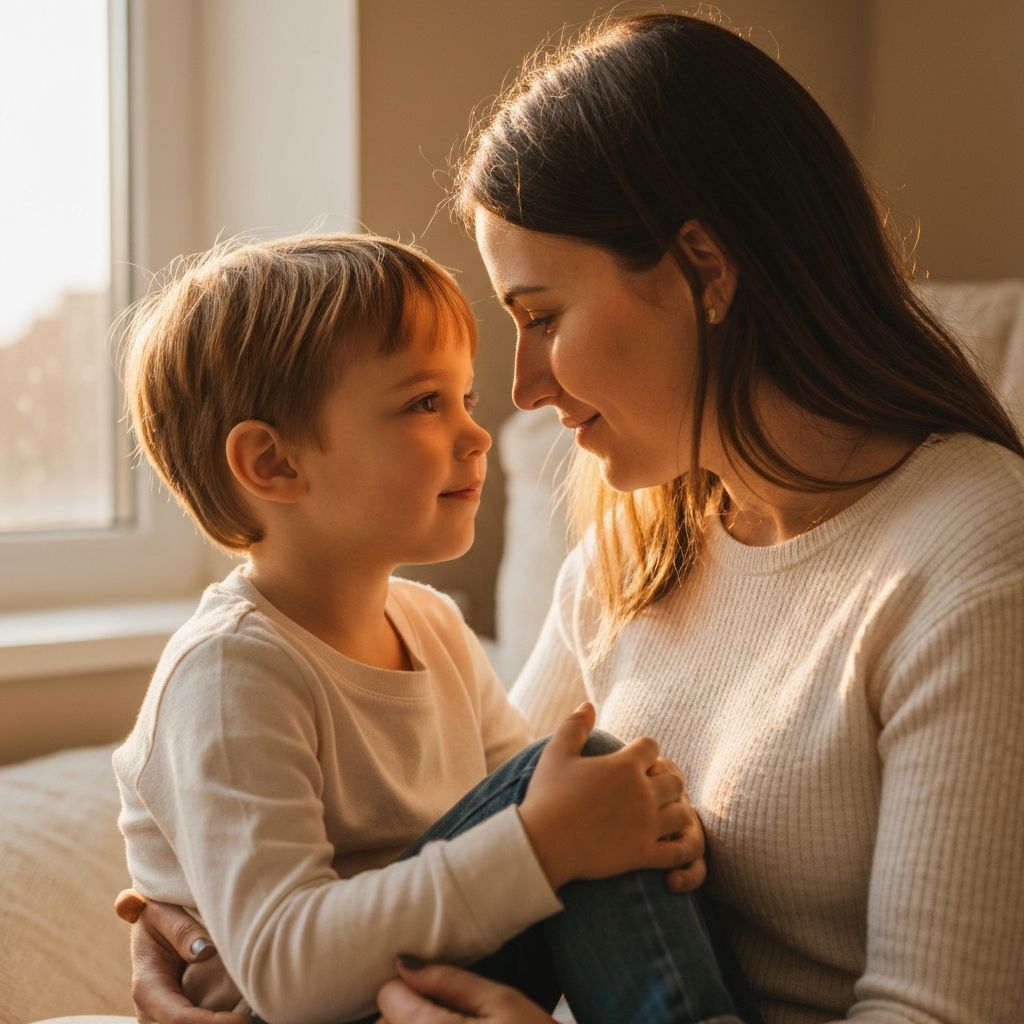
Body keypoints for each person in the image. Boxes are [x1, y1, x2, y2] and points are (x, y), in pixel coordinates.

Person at [119, 11, 1024, 1024]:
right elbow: (497, 851)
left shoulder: (973, 558)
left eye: (542, 316)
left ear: (705, 269)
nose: (524, 389)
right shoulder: (632, 551)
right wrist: (218, 940)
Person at [112, 231, 761, 1024]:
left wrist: (646, 832)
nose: (477, 434)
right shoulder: (229, 674)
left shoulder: (437, 629)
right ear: (273, 464)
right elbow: (284, 971)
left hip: (431, 989)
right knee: (581, 777)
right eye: (425, 402)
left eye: (465, 400)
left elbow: (520, 802)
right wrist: (548, 843)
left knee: (595, 787)